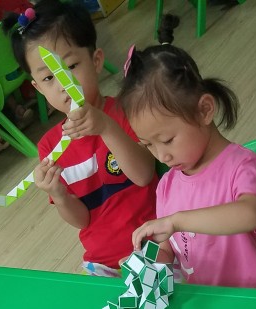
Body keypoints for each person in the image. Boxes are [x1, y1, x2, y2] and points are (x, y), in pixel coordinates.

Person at [8, 0, 157, 276]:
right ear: (38, 88)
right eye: (49, 78)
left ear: (96, 61)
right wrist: (59, 195)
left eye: (71, 66)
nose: (64, 85)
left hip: (156, 244)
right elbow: (82, 220)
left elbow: (144, 175)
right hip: (102, 262)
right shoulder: (50, 147)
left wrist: (106, 127)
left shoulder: (127, 111)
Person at [120, 45, 256, 290]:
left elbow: (251, 214)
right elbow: (169, 250)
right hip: (210, 301)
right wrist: (148, 262)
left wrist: (176, 221)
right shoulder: (167, 186)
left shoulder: (241, 165)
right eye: (148, 145)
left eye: (167, 140)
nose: (162, 155)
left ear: (204, 110)